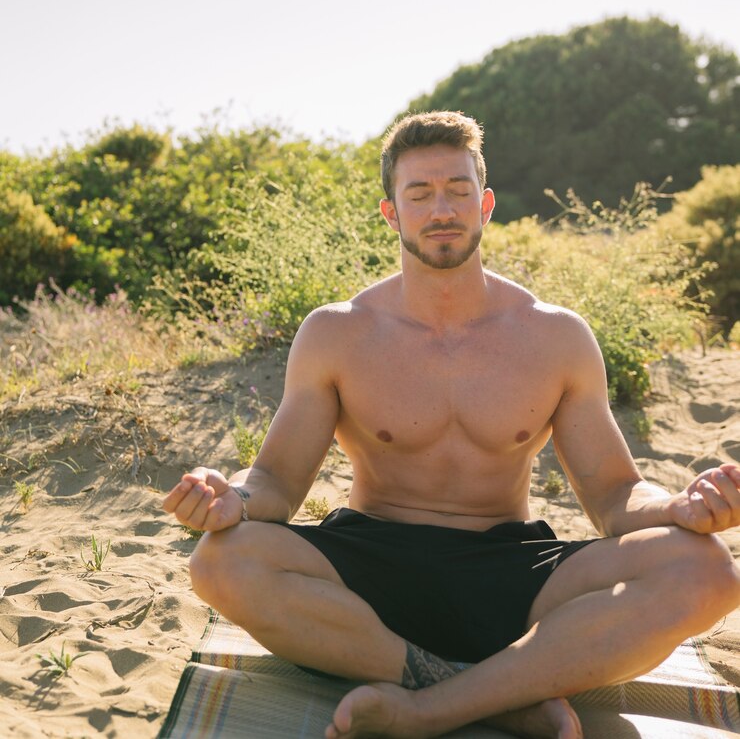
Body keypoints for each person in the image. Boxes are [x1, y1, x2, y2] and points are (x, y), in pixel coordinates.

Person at [163, 111, 740, 739]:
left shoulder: (555, 336)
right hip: (367, 572)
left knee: (706, 569)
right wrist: (232, 500)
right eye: (420, 193)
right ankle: (506, 697)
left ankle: (426, 708)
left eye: (458, 190)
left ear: (485, 204)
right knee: (220, 562)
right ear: (392, 213)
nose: (443, 209)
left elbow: (614, 497)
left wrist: (679, 506)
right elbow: (274, 481)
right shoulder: (338, 332)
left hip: (514, 572)